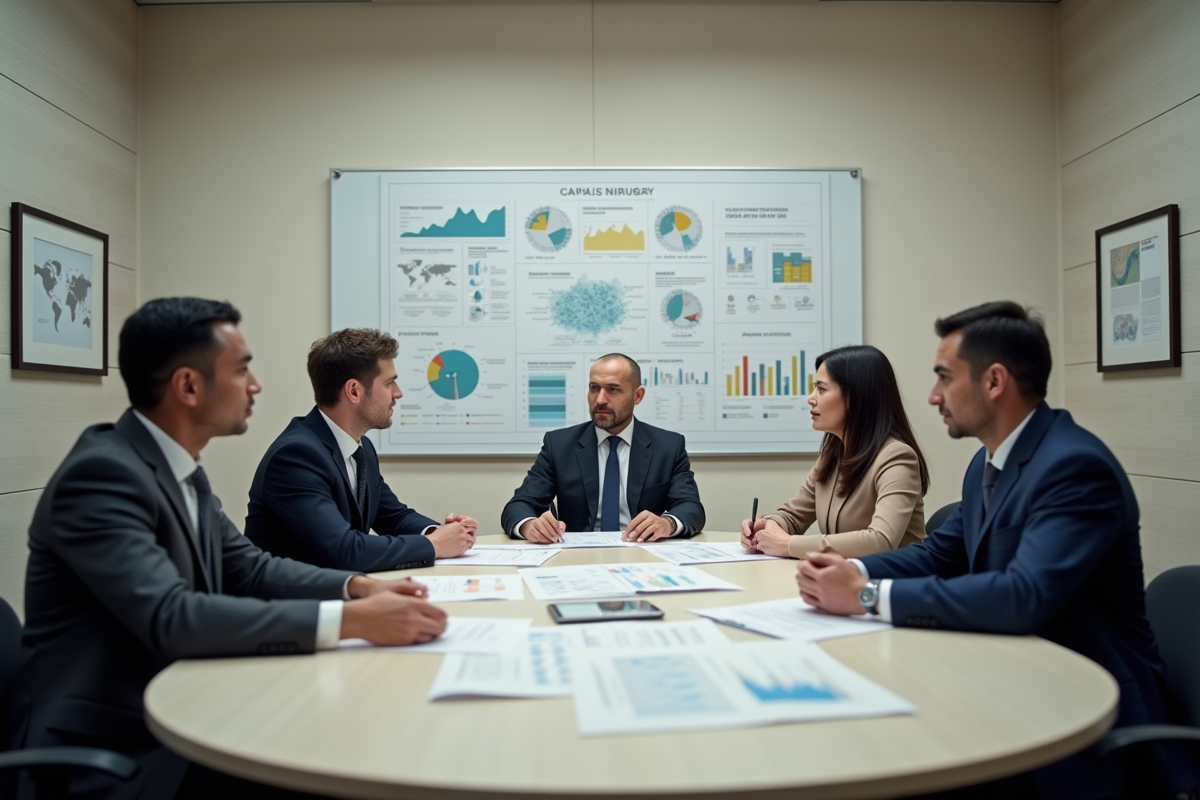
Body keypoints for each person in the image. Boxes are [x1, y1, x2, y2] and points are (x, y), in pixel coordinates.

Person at [12, 299, 449, 800]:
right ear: (188, 386)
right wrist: (352, 621)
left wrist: (357, 586)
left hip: (187, 703)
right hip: (114, 748)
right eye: (242, 370)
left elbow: (250, 569)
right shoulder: (103, 476)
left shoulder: (179, 470)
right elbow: (171, 615)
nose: (256, 385)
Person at [796, 301, 1199, 799]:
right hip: (1013, 681)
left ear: (994, 382)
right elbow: (938, 554)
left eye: (944, 377)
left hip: (1087, 717)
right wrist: (846, 567)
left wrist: (865, 596)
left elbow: (1023, 595)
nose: (932, 396)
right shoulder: (988, 464)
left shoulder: (1073, 467)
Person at [245, 329, 477, 572]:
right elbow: (344, 550)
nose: (398, 393)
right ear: (354, 391)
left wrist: (441, 533)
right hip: (295, 604)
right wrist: (434, 545)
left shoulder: (360, 446)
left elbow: (393, 517)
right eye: (389, 383)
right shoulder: (296, 456)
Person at [741, 344, 928, 558]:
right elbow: (793, 516)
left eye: (821, 389)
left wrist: (788, 544)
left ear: (856, 397)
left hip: (893, 585)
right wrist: (766, 526)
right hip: (844, 580)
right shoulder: (834, 455)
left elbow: (881, 541)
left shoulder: (897, 458)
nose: (810, 398)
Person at [501, 353, 705, 542]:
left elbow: (691, 507)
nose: (600, 399)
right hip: (577, 558)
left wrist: (666, 523)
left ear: (638, 396)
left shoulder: (668, 446)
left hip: (643, 556)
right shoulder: (560, 445)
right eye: (594, 388)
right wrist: (530, 526)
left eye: (613, 389)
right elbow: (519, 505)